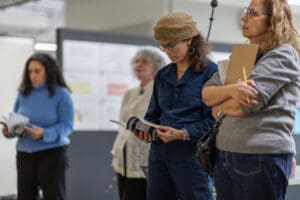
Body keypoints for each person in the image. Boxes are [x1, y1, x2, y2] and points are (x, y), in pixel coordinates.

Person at [202, 0, 300, 199]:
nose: (243, 17)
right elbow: (206, 95)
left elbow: (240, 107)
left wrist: (222, 98)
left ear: (273, 22)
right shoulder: (244, 54)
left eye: (252, 13)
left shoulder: (283, 54)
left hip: (259, 156)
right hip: (225, 153)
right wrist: (232, 89)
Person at [135, 12, 218, 200]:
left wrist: (181, 133)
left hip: (192, 156)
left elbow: (214, 122)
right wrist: (145, 129)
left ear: (189, 39)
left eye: (171, 45)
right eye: (163, 46)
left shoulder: (211, 73)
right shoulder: (163, 75)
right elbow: (153, 114)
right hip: (159, 155)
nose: (167, 51)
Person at [1, 53, 74, 200]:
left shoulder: (61, 94)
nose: (33, 75)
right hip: (24, 155)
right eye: (30, 72)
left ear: (48, 71)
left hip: (52, 154)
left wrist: (44, 133)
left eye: (37, 71)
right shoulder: (23, 94)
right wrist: (9, 131)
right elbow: (17, 121)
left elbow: (67, 126)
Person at [111, 48, 166, 200]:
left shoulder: (160, 90)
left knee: (138, 194)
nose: (138, 64)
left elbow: (160, 123)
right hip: (124, 154)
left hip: (145, 156)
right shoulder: (130, 92)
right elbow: (122, 121)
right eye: (136, 61)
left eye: (144, 61)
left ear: (156, 66)